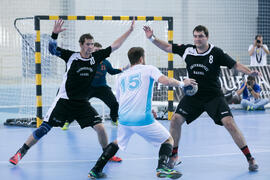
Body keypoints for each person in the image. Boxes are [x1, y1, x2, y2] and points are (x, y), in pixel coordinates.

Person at [9, 18, 134, 165]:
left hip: (82, 103)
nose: (90, 46)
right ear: (81, 45)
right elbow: (52, 49)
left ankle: (107, 154)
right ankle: (20, 153)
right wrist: (54, 34)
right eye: (88, 44)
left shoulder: (96, 58)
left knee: (100, 128)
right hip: (64, 101)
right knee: (44, 129)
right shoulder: (71, 56)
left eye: (92, 44)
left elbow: (115, 46)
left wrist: (130, 31)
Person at [143, 25, 260, 171]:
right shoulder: (187, 50)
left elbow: (235, 65)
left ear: (207, 37)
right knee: (175, 120)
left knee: (229, 123)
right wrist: (152, 38)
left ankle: (250, 158)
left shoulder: (216, 52)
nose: (197, 39)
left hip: (213, 96)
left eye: (201, 36)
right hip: (194, 96)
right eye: (195, 36)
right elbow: (167, 47)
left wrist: (250, 72)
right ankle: (174, 155)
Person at [88, 47, 197, 179]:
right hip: (141, 119)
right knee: (168, 140)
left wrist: (148, 108)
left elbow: (120, 100)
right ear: (141, 58)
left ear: (131, 60)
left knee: (117, 142)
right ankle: (162, 167)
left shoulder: (122, 76)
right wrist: (182, 83)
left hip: (124, 119)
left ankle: (95, 170)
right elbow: (165, 81)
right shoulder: (148, 69)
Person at [61, 42, 124, 130]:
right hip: (88, 88)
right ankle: (67, 122)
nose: (98, 52)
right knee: (77, 105)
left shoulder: (106, 62)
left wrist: (123, 69)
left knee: (114, 103)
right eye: (96, 50)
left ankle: (114, 119)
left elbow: (112, 71)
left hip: (102, 88)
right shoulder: (86, 61)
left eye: (100, 50)